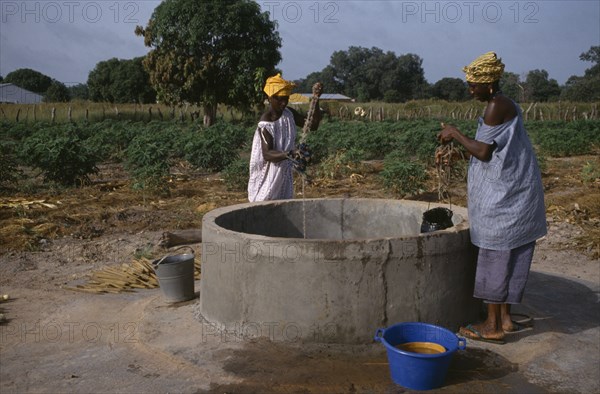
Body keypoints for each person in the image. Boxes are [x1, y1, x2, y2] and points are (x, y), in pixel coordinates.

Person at [438, 52, 547, 344]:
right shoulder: (500, 103)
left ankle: (492, 325)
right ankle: (507, 319)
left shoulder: (496, 106)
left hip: (505, 195)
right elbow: (492, 149)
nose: (470, 89)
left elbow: (484, 152)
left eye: (474, 84)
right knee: (511, 251)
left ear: (489, 84)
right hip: (516, 191)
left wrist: (455, 134)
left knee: (495, 253)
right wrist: (460, 151)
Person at [248, 73, 322, 202]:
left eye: (286, 99)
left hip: (283, 173)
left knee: (283, 205)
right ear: (270, 98)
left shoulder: (289, 114)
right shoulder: (266, 123)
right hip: (268, 174)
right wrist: (291, 153)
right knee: (264, 203)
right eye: (279, 99)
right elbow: (268, 154)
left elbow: (313, 125)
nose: (283, 103)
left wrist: (316, 99)